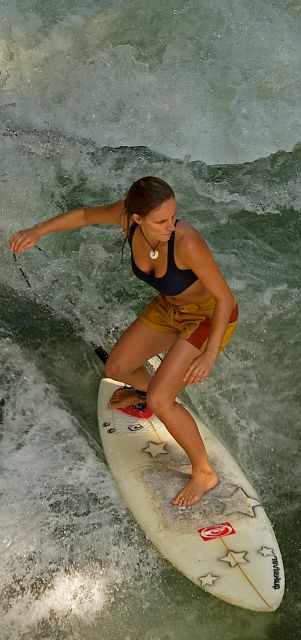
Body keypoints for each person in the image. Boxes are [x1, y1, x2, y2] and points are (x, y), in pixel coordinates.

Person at [8, 176, 238, 507]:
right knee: (117, 366)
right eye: (161, 221)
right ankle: (155, 395)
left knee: (161, 399)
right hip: (169, 308)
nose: (171, 226)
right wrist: (38, 230)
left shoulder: (186, 242)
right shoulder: (125, 219)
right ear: (136, 219)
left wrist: (210, 354)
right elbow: (86, 216)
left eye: (173, 217)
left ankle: (203, 471)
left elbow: (225, 299)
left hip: (206, 316)